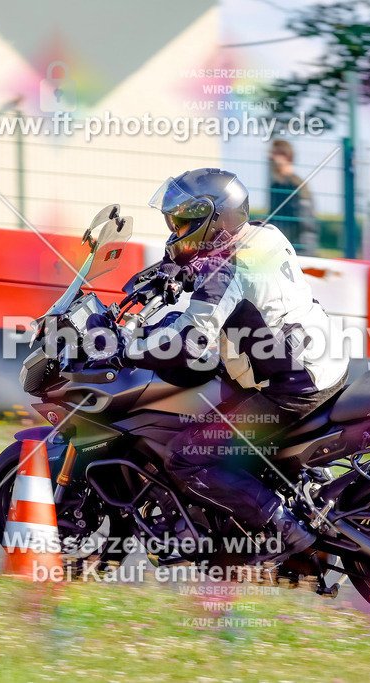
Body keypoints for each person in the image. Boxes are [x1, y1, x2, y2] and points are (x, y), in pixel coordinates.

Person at [122, 168, 349, 563]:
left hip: (292, 387)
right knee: (218, 393)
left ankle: (287, 532)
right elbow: (223, 271)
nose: (175, 230)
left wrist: (128, 346)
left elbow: (189, 339)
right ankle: (297, 481)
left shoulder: (225, 271)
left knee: (187, 457)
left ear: (212, 219)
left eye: (182, 222)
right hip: (324, 360)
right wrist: (180, 269)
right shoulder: (264, 234)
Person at [269, 139, 319, 255]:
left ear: (287, 157)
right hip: (281, 247)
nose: (270, 158)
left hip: (300, 250)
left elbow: (306, 224)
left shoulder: (297, 185)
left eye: (274, 154)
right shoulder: (276, 185)